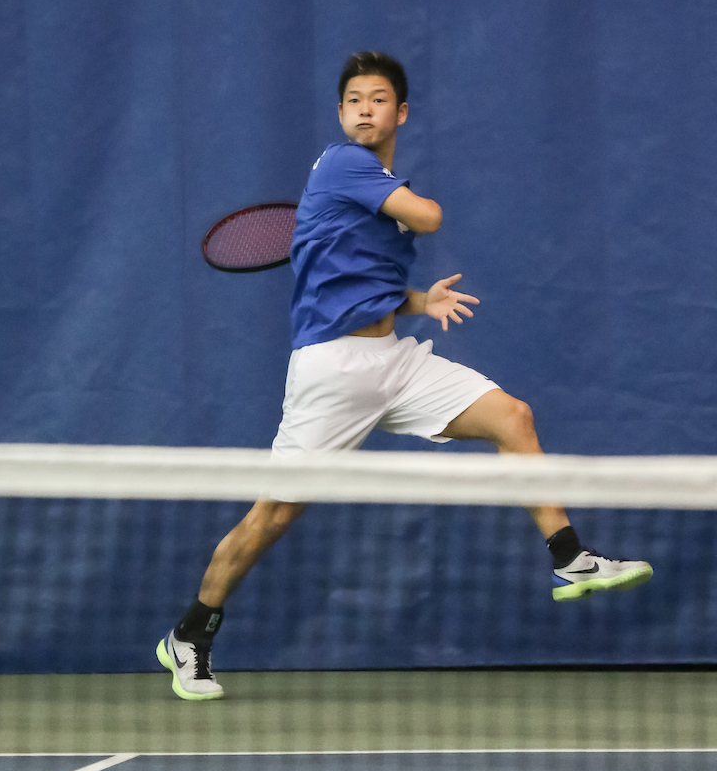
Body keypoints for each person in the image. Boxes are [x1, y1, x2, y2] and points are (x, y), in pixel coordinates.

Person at [157, 51, 653, 701]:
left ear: (402, 111)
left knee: (513, 417)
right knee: (274, 515)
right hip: (332, 372)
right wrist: (417, 213)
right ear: (341, 113)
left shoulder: (371, 189)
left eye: (379, 99)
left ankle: (570, 558)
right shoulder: (345, 165)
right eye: (354, 100)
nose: (366, 110)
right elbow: (430, 217)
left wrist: (421, 301)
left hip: (394, 360)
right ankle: (190, 633)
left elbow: (363, 281)